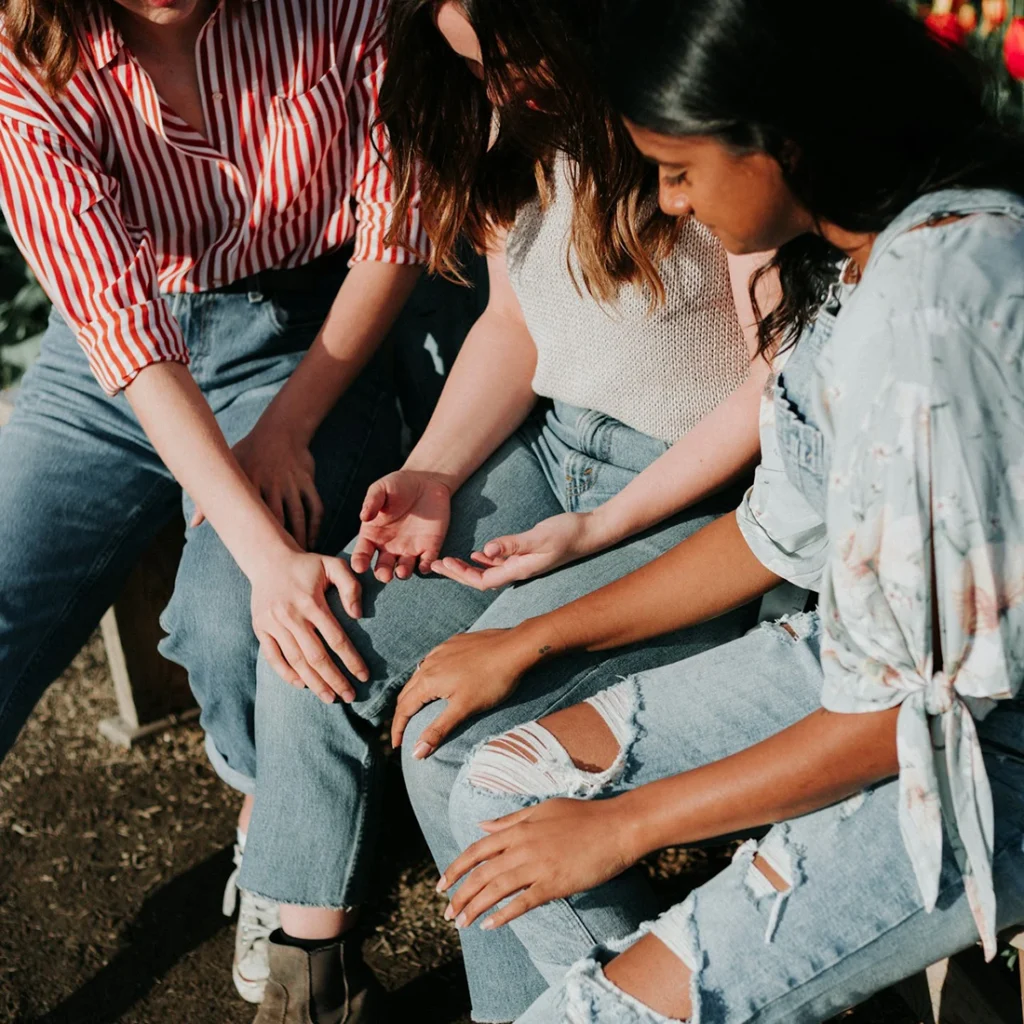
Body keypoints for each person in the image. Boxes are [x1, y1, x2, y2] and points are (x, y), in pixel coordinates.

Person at [436, 1, 1024, 1020]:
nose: (668, 200)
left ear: (784, 138)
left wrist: (627, 826)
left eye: (678, 168)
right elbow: (772, 534)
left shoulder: (929, 320)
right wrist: (530, 639)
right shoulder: (846, 259)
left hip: (982, 758)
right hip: (865, 667)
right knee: (500, 784)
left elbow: (913, 716)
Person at [233, 1, 783, 1020]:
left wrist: (600, 529)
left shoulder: (687, 121)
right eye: (473, 65)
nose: (496, 88)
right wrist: (434, 471)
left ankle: (578, 1002)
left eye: (509, 59)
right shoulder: (508, 117)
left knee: (463, 737)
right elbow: (513, 323)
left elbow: (772, 388)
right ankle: (312, 985)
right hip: (548, 452)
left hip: (689, 493)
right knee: (316, 640)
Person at [0, 0, 458, 1006]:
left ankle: (272, 823)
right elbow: (120, 326)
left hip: (304, 341)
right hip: (114, 361)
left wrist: (288, 428)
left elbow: (399, 224)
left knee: (232, 619)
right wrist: (263, 547)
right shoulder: (23, 53)